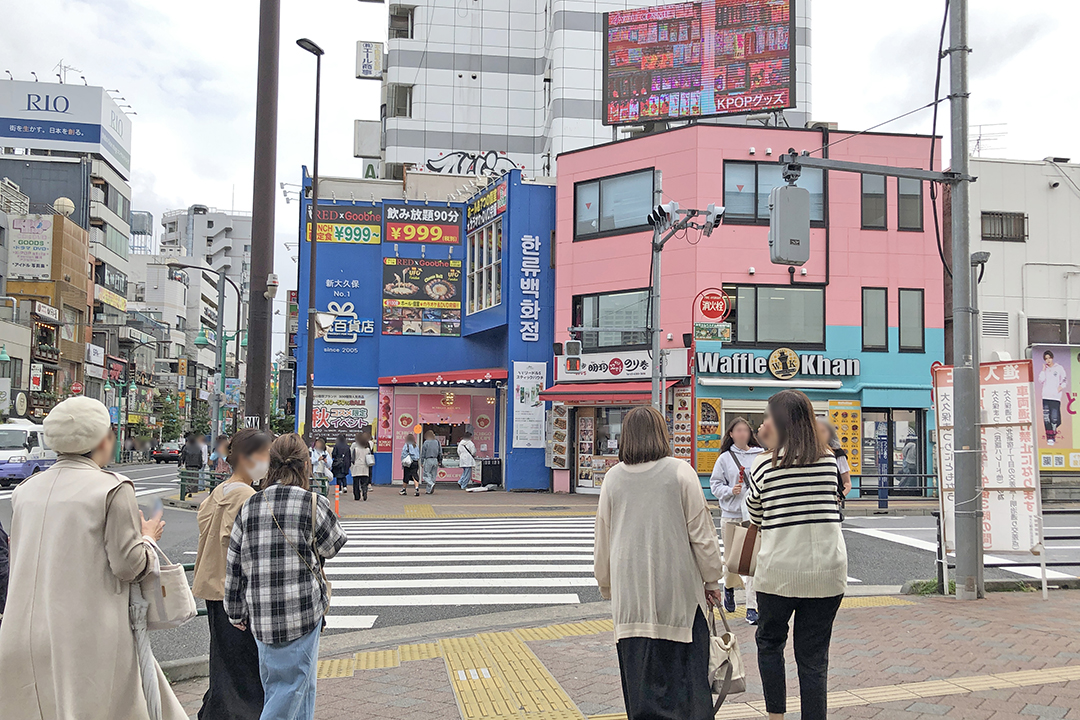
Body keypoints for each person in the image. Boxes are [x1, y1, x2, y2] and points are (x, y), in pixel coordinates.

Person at [0, 396, 186, 719]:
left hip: (22, 630)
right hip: (88, 635)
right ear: (101, 440)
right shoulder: (112, 489)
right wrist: (147, 537)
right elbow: (129, 565)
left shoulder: (25, 492)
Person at [594, 406, 725, 720]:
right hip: (678, 601)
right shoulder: (680, 472)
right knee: (688, 692)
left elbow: (603, 537)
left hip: (631, 604)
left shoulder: (613, 478)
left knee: (642, 696)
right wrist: (711, 579)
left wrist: (607, 584)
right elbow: (702, 534)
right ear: (662, 434)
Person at [225, 433, 348, 720]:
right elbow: (332, 546)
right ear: (305, 464)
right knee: (292, 688)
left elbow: (235, 564)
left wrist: (235, 611)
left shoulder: (250, 506)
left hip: (262, 612)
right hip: (302, 610)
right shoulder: (312, 502)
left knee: (284, 684)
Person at [747, 390, 848, 720]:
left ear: (778, 422)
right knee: (814, 656)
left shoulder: (765, 466)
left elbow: (754, 516)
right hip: (826, 573)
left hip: (779, 572)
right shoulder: (829, 460)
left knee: (770, 643)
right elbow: (835, 502)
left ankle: (776, 715)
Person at [193, 428, 273, 720]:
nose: (267, 462)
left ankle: (215, 712)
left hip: (211, 587)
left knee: (223, 661)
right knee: (244, 668)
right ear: (246, 457)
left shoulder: (219, 491)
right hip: (236, 594)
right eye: (265, 455)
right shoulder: (248, 497)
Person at [709, 416, 764, 624]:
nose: (742, 433)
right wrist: (730, 491)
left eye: (745, 430)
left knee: (751, 562)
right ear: (731, 434)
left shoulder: (760, 455)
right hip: (731, 516)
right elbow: (715, 485)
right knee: (732, 561)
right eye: (738, 430)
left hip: (753, 515)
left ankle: (752, 607)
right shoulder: (725, 458)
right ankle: (729, 587)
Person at [817, 419, 852, 499]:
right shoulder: (808, 453)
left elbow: (847, 483)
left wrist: (839, 497)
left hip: (831, 500)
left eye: (823, 431)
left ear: (830, 434)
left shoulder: (838, 454)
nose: (819, 435)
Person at [1040, 349, 1068, 446]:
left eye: (1049, 358)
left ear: (1052, 358)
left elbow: (1064, 380)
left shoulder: (1059, 368)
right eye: (1046, 359)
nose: (1048, 360)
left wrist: (1060, 388)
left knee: (1054, 418)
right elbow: (1041, 380)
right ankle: (1050, 438)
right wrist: (1043, 370)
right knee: (1046, 418)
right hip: (1045, 396)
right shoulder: (1045, 370)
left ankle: (1054, 433)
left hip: (1055, 397)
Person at [350, 432, 373, 501]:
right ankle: (364, 491)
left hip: (357, 467)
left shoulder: (356, 449)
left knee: (356, 483)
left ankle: (357, 496)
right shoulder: (368, 449)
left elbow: (353, 459)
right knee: (364, 482)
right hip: (365, 467)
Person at [420, 429, 443, 495]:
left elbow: (423, 453)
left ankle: (431, 484)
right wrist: (440, 460)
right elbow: (440, 452)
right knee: (433, 475)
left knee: (426, 475)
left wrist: (421, 462)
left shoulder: (426, 442)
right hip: (435, 460)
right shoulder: (437, 442)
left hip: (428, 459)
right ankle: (428, 490)